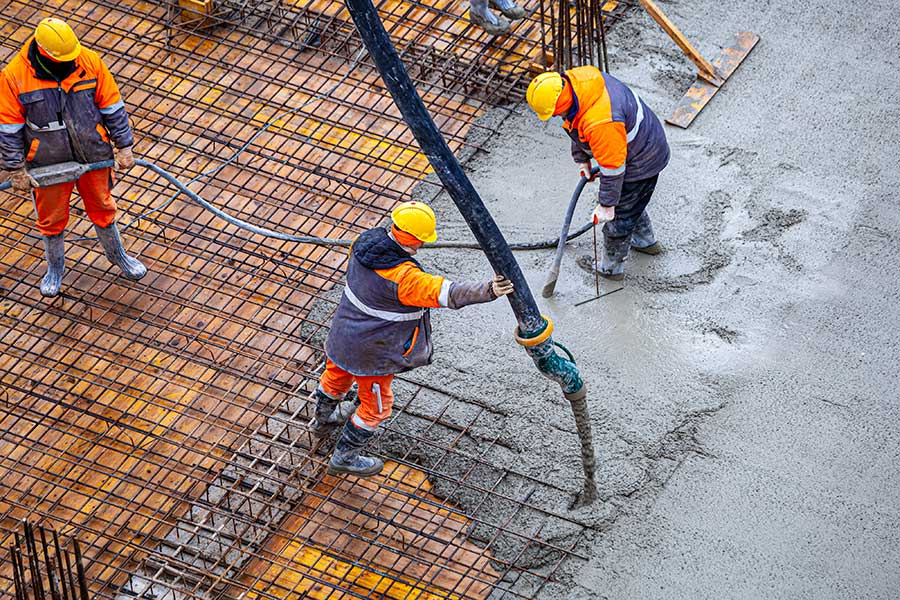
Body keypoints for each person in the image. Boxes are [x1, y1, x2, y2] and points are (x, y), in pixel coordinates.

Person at [311, 201, 514, 477]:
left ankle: (322, 421)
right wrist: (490, 289)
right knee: (375, 409)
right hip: (372, 355)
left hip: (341, 337)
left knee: (335, 378)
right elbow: (449, 293)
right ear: (419, 241)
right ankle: (344, 457)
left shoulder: (363, 243)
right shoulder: (405, 279)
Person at [0, 17, 146, 298]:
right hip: (47, 161)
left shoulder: (89, 62)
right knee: (51, 218)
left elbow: (113, 106)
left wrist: (124, 146)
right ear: (44, 51)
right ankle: (55, 268)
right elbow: (8, 129)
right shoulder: (15, 76)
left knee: (103, 208)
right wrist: (16, 168)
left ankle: (119, 257)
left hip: (93, 153)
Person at [525, 66, 670, 280]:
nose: (556, 116)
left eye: (554, 112)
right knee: (632, 203)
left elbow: (613, 167)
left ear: (560, 104)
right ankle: (645, 243)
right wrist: (582, 159)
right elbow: (576, 124)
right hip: (639, 144)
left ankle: (610, 269)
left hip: (641, 161)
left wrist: (607, 205)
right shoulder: (578, 83)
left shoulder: (601, 120)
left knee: (619, 217)